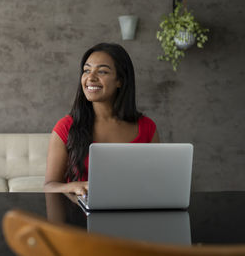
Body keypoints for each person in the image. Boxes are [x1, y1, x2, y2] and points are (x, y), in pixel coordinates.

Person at [44, 43, 160, 196]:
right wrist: (73, 186)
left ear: (120, 80)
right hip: (80, 217)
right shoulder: (66, 126)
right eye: (86, 70)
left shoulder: (146, 127)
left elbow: (157, 182)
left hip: (133, 213)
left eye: (102, 71)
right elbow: (49, 186)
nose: (91, 77)